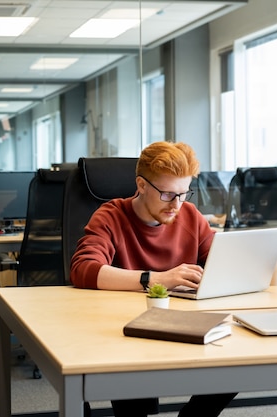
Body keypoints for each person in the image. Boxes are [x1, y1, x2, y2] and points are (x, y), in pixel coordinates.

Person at [70, 141, 237, 417]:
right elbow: (84, 268)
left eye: (184, 194)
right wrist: (157, 279)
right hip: (124, 331)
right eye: (167, 194)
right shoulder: (111, 216)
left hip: (183, 324)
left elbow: (220, 259)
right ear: (142, 185)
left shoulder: (190, 215)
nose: (176, 205)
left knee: (237, 361)